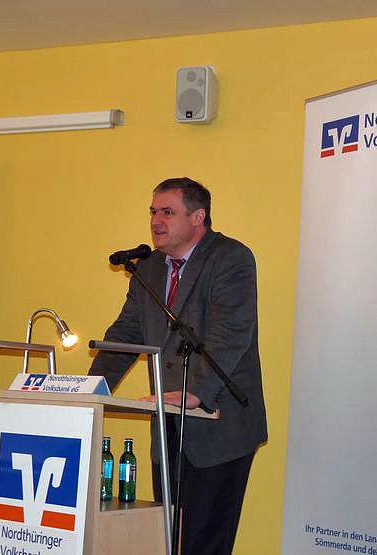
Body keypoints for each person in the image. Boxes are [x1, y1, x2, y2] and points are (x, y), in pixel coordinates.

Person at [89, 177, 267, 555]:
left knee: (204, 544)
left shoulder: (230, 258)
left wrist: (198, 392)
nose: (156, 220)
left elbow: (231, 333)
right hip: (169, 424)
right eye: (153, 211)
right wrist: (90, 390)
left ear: (197, 217)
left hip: (218, 425)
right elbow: (126, 334)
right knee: (170, 539)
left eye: (167, 212)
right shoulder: (150, 269)